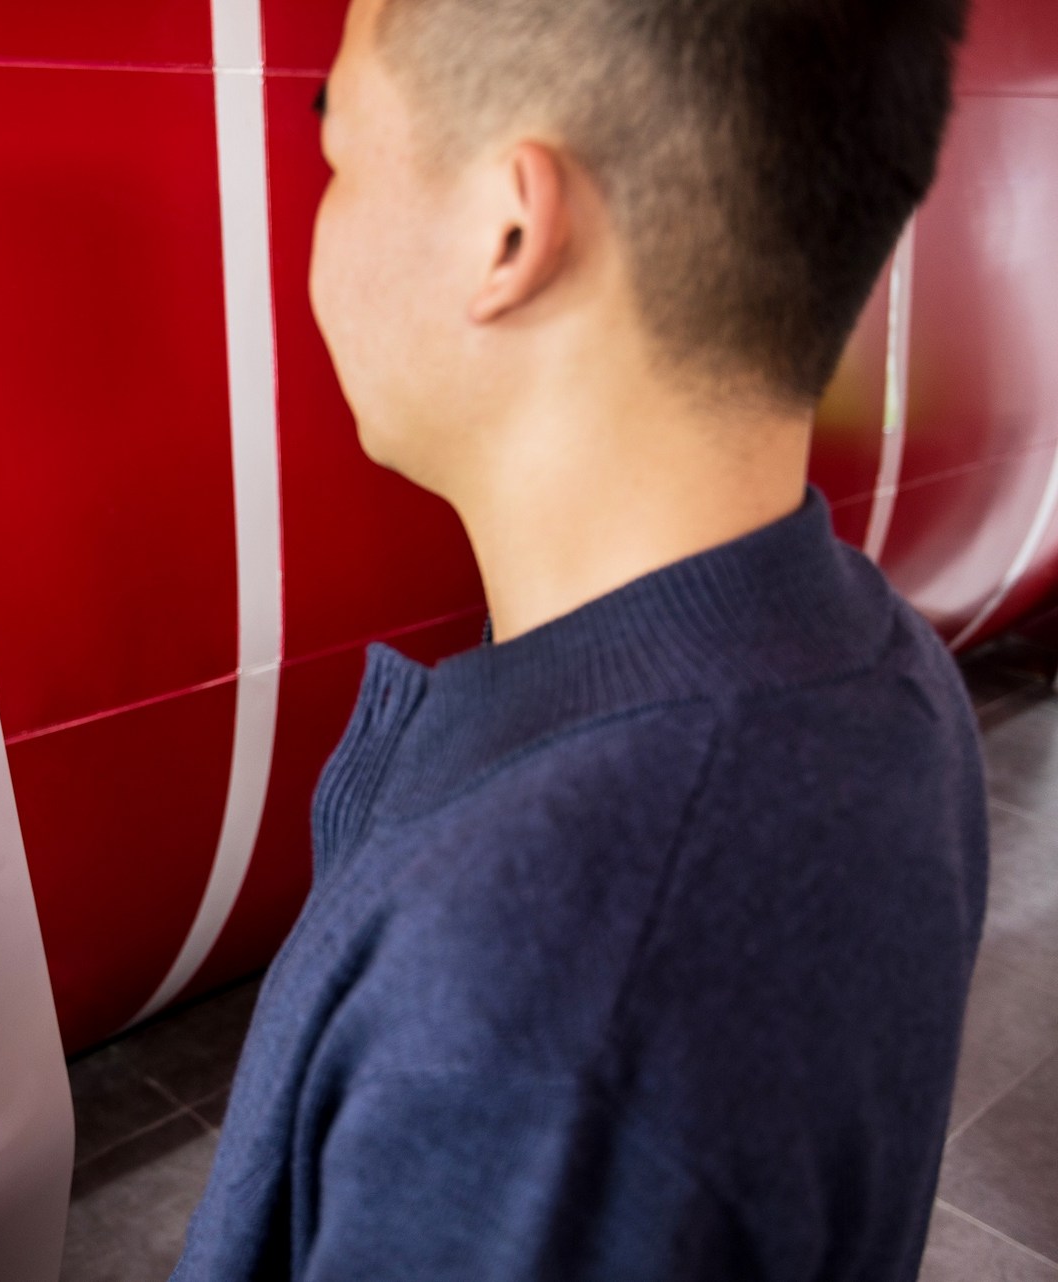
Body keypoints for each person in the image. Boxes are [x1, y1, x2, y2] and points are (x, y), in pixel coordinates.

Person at [174, 1, 984, 1279]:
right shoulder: (891, 680)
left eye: (338, 145)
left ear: (507, 231)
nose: (317, 214)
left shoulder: (533, 990)